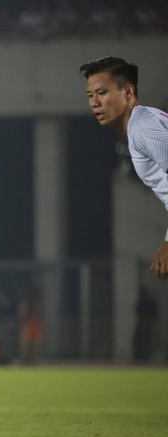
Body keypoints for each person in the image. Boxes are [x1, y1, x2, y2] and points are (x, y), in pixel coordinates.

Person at [81, 57, 168, 280]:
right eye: (91, 95)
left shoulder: (142, 130)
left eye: (102, 93)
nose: (94, 102)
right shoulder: (144, 120)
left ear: (128, 92)